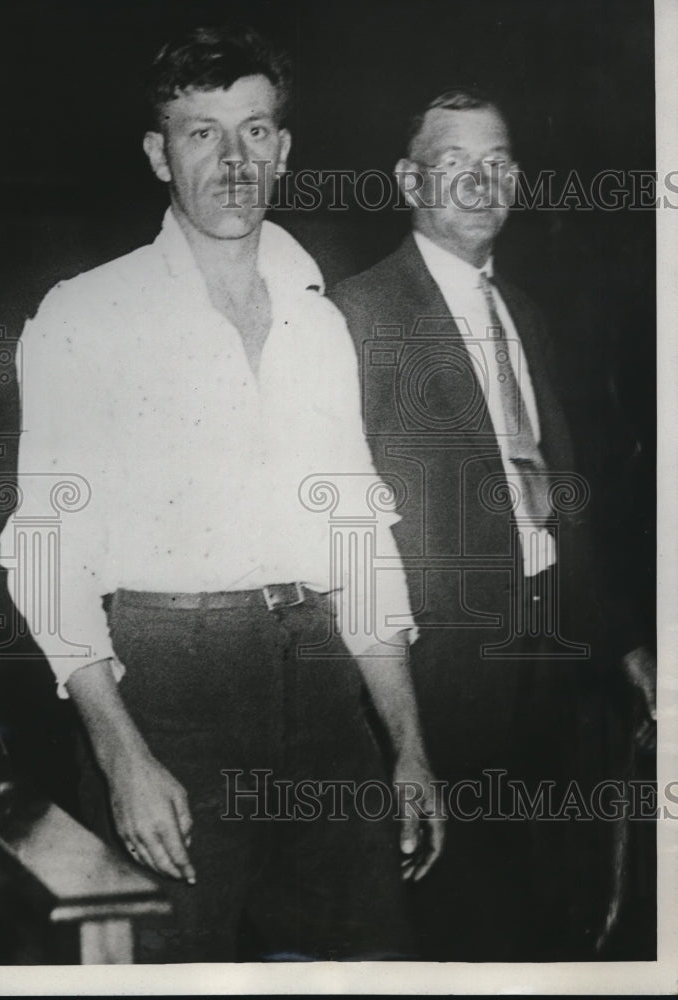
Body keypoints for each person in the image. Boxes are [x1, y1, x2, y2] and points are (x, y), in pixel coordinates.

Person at [4, 25, 444, 963]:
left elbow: (357, 536)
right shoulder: (86, 314)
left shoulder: (317, 318)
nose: (233, 160)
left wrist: (404, 743)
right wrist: (121, 753)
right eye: (201, 133)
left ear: (283, 147)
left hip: (323, 684)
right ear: (159, 155)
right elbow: (42, 549)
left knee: (373, 968)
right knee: (172, 970)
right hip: (167, 689)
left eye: (253, 130)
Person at [330, 88, 656, 960]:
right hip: (435, 697)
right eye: (453, 165)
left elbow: (555, 504)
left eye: (497, 162)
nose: (480, 183)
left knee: (542, 931)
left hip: (549, 689)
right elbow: (341, 535)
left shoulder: (525, 315)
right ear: (407, 180)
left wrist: (626, 646)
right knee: (446, 938)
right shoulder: (354, 318)